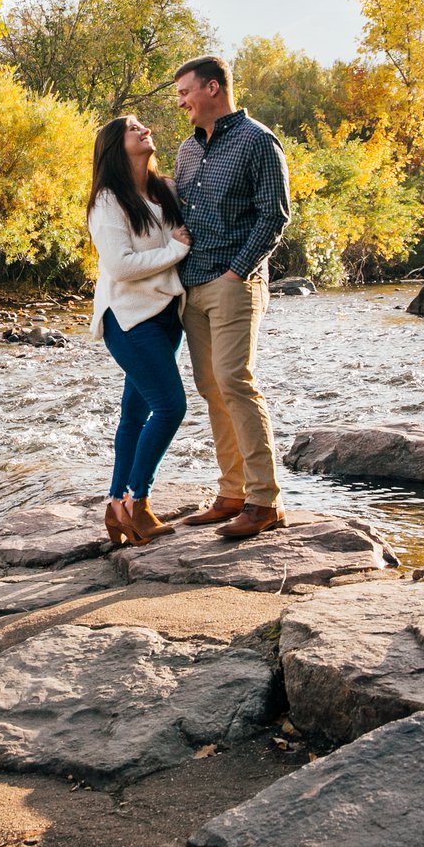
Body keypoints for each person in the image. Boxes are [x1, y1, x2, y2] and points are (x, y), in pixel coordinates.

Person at [172, 55, 290, 539]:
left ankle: (265, 501)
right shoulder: (185, 150)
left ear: (214, 89)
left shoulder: (258, 142)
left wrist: (235, 272)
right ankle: (232, 493)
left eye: (185, 92)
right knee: (211, 388)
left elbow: (275, 215)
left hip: (233, 283)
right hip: (190, 285)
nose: (181, 102)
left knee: (234, 381)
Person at [88, 115, 192, 546]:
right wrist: (176, 248)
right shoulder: (108, 201)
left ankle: (115, 504)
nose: (144, 128)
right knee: (170, 407)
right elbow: (121, 266)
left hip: (168, 313)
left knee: (134, 413)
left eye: (142, 124)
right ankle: (137, 500)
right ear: (116, 145)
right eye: (133, 127)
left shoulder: (163, 189)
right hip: (129, 319)